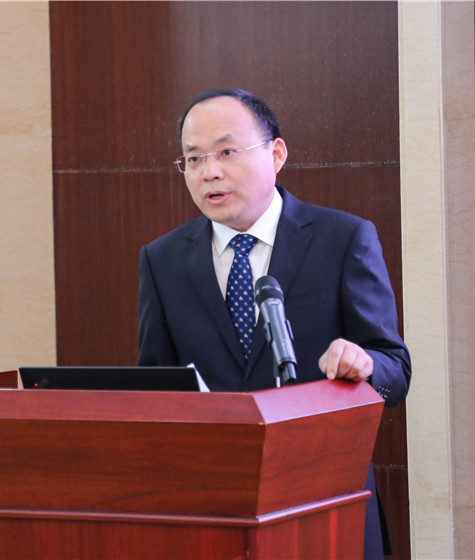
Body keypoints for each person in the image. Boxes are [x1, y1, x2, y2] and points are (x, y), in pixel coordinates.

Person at [137, 88, 411, 559]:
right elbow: (157, 384)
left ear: (276, 153)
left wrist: (365, 365)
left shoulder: (342, 238)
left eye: (226, 152)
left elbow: (395, 368)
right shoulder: (163, 259)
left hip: (325, 498)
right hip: (211, 507)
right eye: (194, 159)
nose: (209, 172)